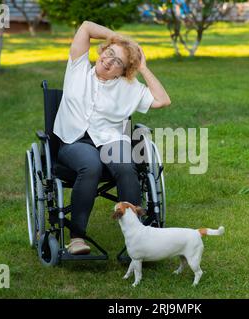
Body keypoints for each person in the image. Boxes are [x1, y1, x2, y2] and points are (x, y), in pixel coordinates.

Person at [53, 21, 171, 255]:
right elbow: (86, 27)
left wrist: (144, 67)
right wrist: (120, 40)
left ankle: (139, 238)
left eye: (117, 61)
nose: (108, 61)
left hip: (111, 140)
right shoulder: (78, 68)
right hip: (74, 141)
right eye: (108, 54)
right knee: (91, 166)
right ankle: (77, 238)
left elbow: (163, 100)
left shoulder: (129, 86)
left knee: (127, 168)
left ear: (124, 71)